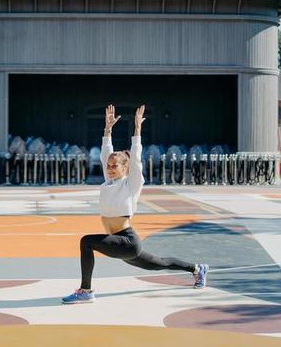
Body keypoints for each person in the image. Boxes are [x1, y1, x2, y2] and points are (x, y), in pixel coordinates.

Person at [62, 104, 209, 304]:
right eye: (108, 166)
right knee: (160, 263)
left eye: (115, 166)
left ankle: (86, 290)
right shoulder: (109, 182)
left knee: (86, 242)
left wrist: (137, 130)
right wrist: (107, 129)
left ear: (126, 168)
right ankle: (197, 268)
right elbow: (106, 152)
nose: (110, 168)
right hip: (122, 245)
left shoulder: (131, 184)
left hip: (127, 241)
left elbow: (136, 159)